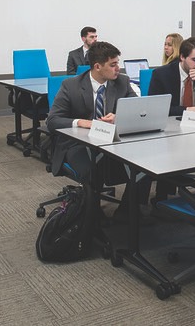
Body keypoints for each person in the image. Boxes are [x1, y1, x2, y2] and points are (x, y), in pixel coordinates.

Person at [47, 41, 146, 220]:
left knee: (144, 166)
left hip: (112, 142)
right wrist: (81, 122)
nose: (118, 68)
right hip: (77, 144)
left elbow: (136, 109)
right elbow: (53, 120)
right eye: (113, 64)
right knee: (92, 171)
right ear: (98, 66)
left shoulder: (122, 82)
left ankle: (126, 212)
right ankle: (92, 216)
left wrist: (118, 116)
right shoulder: (71, 85)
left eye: (118, 63)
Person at [149, 36, 195, 117]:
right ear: (182, 57)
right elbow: (154, 108)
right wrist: (187, 110)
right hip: (171, 122)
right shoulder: (161, 74)